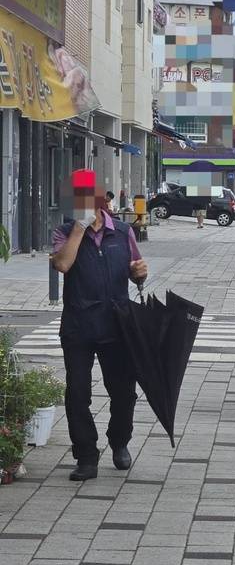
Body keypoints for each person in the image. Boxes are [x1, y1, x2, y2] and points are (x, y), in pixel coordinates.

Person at [52, 172, 148, 481]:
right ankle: (86, 456)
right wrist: (80, 228)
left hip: (116, 324)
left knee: (123, 393)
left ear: (101, 200)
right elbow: (63, 265)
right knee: (77, 393)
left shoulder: (122, 232)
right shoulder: (63, 232)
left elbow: (136, 270)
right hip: (79, 325)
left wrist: (140, 272)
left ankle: (119, 441)